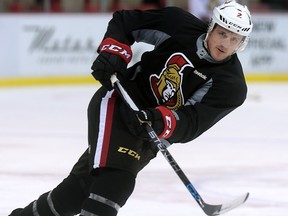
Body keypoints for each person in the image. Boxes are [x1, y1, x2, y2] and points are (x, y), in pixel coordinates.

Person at [9, 0, 253, 215]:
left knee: (74, 194)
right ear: (211, 28)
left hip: (150, 133)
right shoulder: (179, 25)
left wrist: (161, 120)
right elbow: (125, 22)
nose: (226, 44)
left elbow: (192, 122)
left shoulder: (231, 86)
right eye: (222, 34)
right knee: (117, 182)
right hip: (120, 102)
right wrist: (114, 52)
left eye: (235, 39)